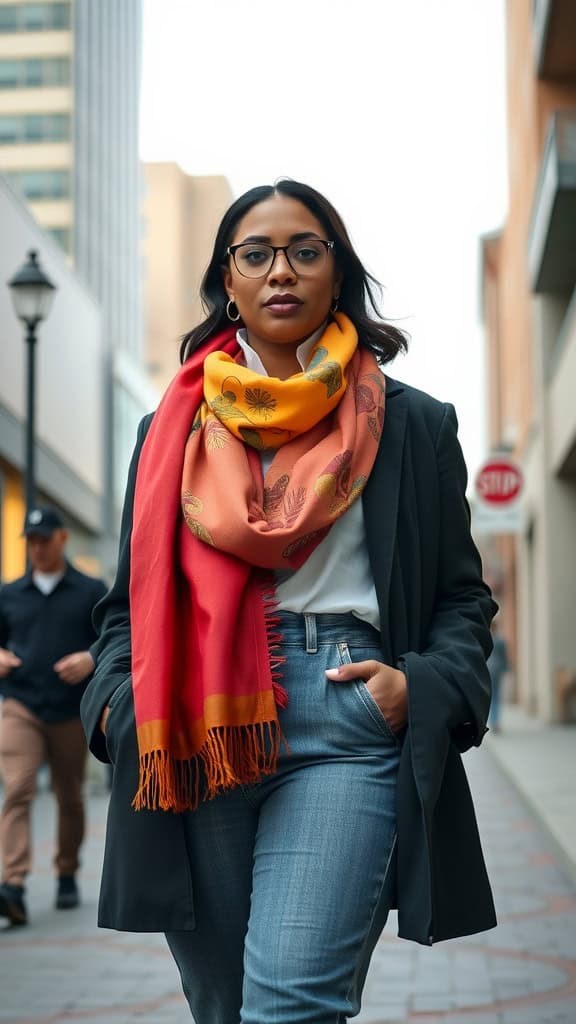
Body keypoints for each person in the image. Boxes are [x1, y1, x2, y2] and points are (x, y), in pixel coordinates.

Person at [81, 180, 498, 1023]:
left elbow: (461, 597)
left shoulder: (411, 425)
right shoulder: (168, 431)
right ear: (226, 281)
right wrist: (119, 707)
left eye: (306, 251)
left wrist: (421, 687)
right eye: (256, 254)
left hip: (347, 715)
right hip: (196, 722)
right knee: (224, 1004)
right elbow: (124, 606)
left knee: (291, 1002)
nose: (282, 270)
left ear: (336, 274)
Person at [0, 506, 107, 926]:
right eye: (31, 541)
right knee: (19, 787)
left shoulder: (90, 590)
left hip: (69, 710)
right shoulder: (9, 594)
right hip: (21, 705)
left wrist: (90, 657)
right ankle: (13, 885)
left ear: (62, 539)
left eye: (44, 539)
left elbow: (113, 637)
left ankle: (66, 871)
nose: (37, 547)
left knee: (69, 794)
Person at [487, 617, 510, 734]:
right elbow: (504, 657)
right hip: (497, 671)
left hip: (487, 670)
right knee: (496, 697)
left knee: (489, 697)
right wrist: (506, 669)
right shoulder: (501, 640)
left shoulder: (485, 639)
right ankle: (495, 723)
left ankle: (491, 721)